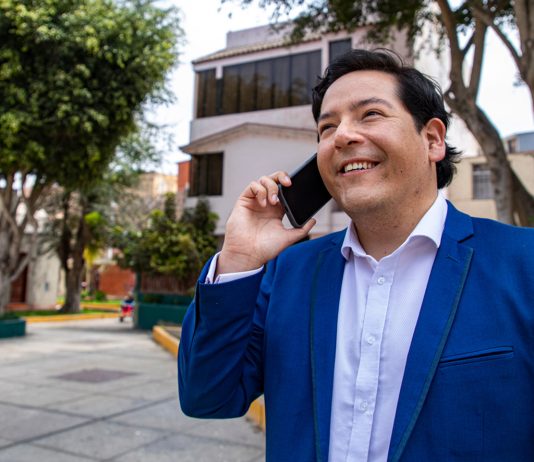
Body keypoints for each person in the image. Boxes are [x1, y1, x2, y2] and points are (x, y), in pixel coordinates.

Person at [178, 49, 534, 462]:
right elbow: (207, 397)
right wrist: (239, 259)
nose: (342, 136)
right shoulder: (288, 273)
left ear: (433, 140)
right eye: (327, 127)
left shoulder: (523, 264)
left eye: (370, 115)